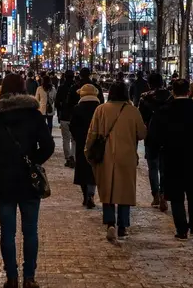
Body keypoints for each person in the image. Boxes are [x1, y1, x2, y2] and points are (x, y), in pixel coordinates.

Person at [0, 73, 55, 288]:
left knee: (7, 231)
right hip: (28, 181)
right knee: (30, 230)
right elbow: (48, 146)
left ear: (2, 89)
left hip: (4, 180)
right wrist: (33, 162)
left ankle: (11, 277)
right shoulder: (33, 115)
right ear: (23, 89)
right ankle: (29, 277)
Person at [148, 78, 193, 239]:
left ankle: (181, 229)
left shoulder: (165, 110)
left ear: (173, 92)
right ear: (188, 91)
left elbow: (154, 135)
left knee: (176, 195)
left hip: (172, 157)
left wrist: (154, 151)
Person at [85, 81, 147, 242]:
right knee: (125, 191)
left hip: (105, 156)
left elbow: (92, 133)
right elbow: (142, 133)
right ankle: (123, 226)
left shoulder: (101, 110)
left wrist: (88, 151)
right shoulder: (132, 111)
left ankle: (110, 222)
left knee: (107, 189)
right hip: (126, 156)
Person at [138, 72, 172, 211]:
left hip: (151, 136)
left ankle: (156, 195)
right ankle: (164, 194)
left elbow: (141, 118)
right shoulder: (170, 97)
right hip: (167, 136)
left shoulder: (145, 98)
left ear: (149, 83)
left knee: (153, 167)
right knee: (165, 168)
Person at [69, 83, 100, 208]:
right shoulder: (99, 108)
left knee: (82, 169)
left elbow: (72, 126)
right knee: (94, 168)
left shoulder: (77, 108)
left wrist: (78, 137)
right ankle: (91, 194)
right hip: (96, 143)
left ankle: (85, 195)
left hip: (82, 142)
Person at [55, 70, 76, 168]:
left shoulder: (61, 88)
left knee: (66, 139)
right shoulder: (77, 88)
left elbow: (57, 103)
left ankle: (68, 158)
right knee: (74, 139)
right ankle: (73, 157)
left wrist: (59, 115)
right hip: (75, 116)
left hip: (64, 116)